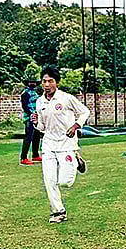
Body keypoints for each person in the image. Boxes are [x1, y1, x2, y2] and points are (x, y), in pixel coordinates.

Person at [33, 66, 90, 223]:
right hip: (49, 144)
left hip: (66, 143)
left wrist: (75, 126)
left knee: (65, 182)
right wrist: (36, 123)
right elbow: (42, 127)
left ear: (56, 82)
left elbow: (85, 112)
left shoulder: (66, 98)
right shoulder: (40, 102)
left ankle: (76, 159)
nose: (46, 84)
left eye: (50, 81)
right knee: (49, 179)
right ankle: (58, 211)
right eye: (44, 81)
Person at [19, 78, 42, 165]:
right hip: (29, 118)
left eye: (34, 82)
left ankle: (35, 155)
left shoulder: (35, 93)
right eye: (30, 82)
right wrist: (31, 114)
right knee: (28, 136)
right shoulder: (25, 94)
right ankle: (23, 157)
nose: (32, 84)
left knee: (36, 136)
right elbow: (25, 106)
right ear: (27, 83)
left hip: (36, 117)